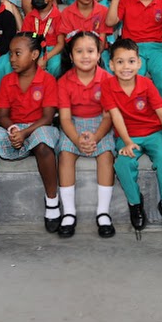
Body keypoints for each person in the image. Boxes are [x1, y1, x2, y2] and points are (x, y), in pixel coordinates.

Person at [0, 33, 61, 234]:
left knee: (43, 147)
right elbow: (3, 115)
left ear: (34, 55)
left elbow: (48, 117)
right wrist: (13, 130)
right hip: (14, 128)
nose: (12, 59)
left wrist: (25, 133)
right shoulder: (7, 80)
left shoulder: (48, 80)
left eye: (17, 53)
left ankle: (52, 200)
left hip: (39, 127)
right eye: (10, 54)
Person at [101, 38, 162, 232]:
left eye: (130, 61)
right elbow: (116, 117)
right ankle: (135, 204)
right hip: (127, 135)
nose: (125, 67)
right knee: (123, 163)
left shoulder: (146, 84)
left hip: (153, 133)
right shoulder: (108, 86)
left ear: (139, 63)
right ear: (111, 65)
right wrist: (127, 142)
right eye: (120, 62)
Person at [55, 31, 116, 238]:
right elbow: (64, 118)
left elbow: (109, 117)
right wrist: (76, 139)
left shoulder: (107, 79)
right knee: (65, 156)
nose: (85, 56)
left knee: (106, 156)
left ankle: (103, 212)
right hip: (73, 125)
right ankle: (69, 212)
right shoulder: (64, 81)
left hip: (101, 124)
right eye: (79, 51)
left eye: (90, 51)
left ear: (99, 54)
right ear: (71, 56)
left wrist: (97, 137)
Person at [22, 0, 63, 77]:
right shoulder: (30, 17)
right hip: (33, 49)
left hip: (53, 51)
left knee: (57, 66)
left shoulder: (59, 17)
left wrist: (45, 58)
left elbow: (61, 44)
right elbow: (25, 41)